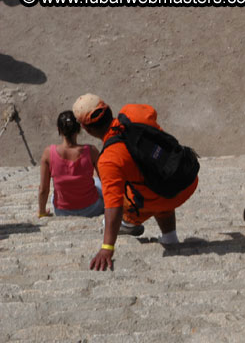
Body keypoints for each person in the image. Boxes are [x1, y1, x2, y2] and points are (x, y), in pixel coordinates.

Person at [72, 94, 198, 271]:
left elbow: (113, 207)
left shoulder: (108, 160)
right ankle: (170, 238)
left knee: (126, 193)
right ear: (108, 110)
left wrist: (107, 248)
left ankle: (129, 223)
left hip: (162, 196)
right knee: (151, 173)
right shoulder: (132, 112)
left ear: (86, 129)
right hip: (185, 176)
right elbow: (151, 114)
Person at [38, 110, 104, 218]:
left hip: (63, 211)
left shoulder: (48, 153)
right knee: (96, 175)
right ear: (79, 129)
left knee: (54, 195)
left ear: (59, 130)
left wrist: (42, 212)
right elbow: (106, 180)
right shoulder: (91, 151)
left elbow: (43, 189)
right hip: (92, 208)